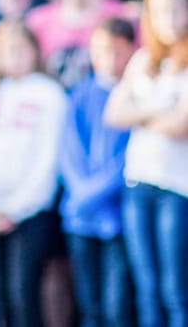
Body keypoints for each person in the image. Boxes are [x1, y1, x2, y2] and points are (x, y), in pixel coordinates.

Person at [0, 19, 69, 327]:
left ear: (35, 51)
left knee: (23, 291)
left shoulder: (50, 95)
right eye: (7, 50)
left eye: (21, 49)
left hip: (30, 212)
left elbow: (49, 158)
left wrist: (17, 209)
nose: (15, 56)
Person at [105, 0, 188, 327]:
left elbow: (180, 125)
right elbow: (114, 113)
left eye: (176, 9)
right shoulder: (143, 62)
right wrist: (158, 111)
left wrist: (141, 115)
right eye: (159, 10)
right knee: (147, 287)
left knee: (174, 288)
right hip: (138, 183)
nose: (168, 18)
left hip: (176, 188)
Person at [59, 17, 137, 327]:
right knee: (88, 305)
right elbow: (68, 152)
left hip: (117, 218)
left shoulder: (134, 96)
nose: (110, 59)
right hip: (80, 219)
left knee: (117, 305)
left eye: (118, 51)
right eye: (103, 51)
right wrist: (81, 194)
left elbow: (127, 161)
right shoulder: (79, 94)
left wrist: (89, 195)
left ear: (132, 51)